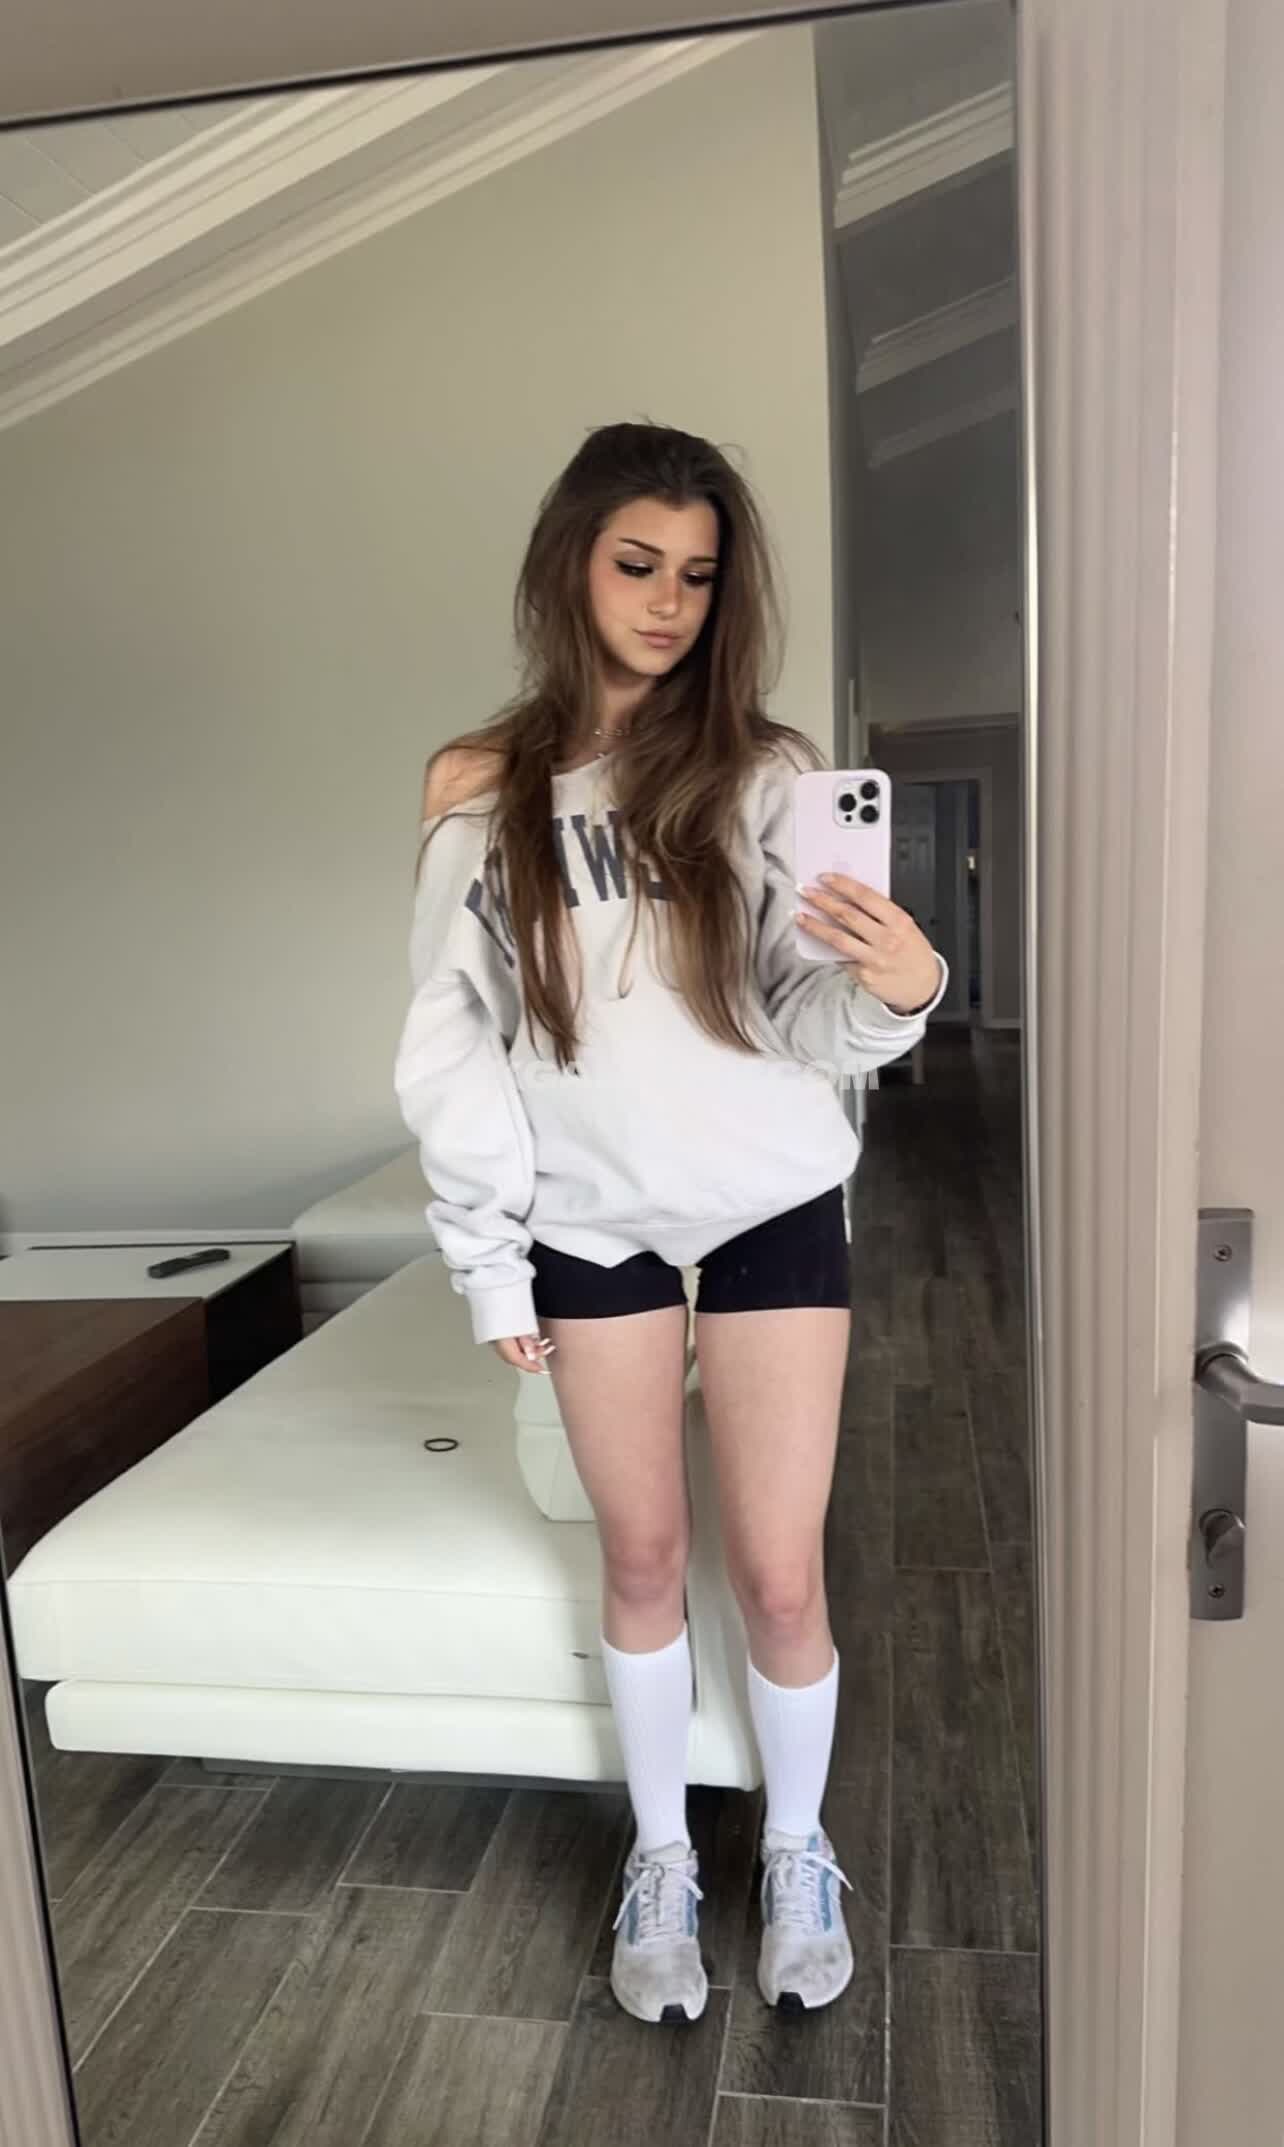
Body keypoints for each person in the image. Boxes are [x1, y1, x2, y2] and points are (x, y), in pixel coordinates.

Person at [393, 421, 945, 2028]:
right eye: (638, 564)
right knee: (641, 1555)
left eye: (698, 577)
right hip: (589, 1227)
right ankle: (660, 1857)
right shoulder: (476, 785)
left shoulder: (765, 774)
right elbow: (454, 1039)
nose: (666, 603)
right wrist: (488, 1255)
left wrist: (903, 986)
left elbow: (809, 1021)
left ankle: (795, 1846)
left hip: (771, 1204)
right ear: (568, 562)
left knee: (777, 1574)